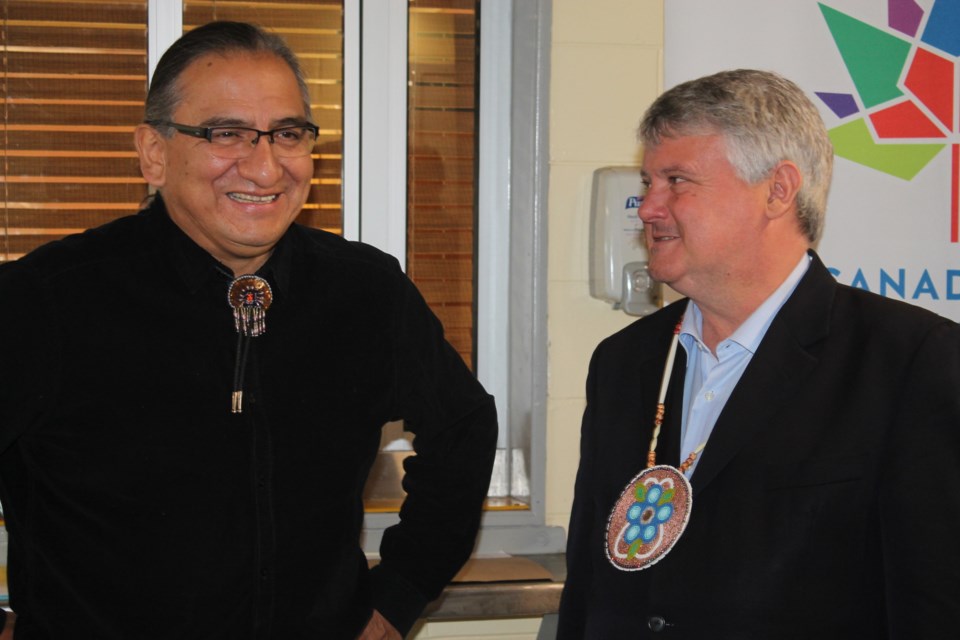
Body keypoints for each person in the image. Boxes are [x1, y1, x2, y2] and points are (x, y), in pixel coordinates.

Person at [0, 21, 497, 639]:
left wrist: (396, 598)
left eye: (288, 134)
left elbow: (464, 429)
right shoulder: (48, 299)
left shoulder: (364, 291)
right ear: (154, 153)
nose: (264, 168)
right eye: (225, 133)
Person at [557, 69, 960, 638]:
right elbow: (588, 584)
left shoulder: (910, 362)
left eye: (677, 181)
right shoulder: (624, 362)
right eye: (649, 182)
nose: (648, 208)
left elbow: (936, 602)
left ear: (777, 190)